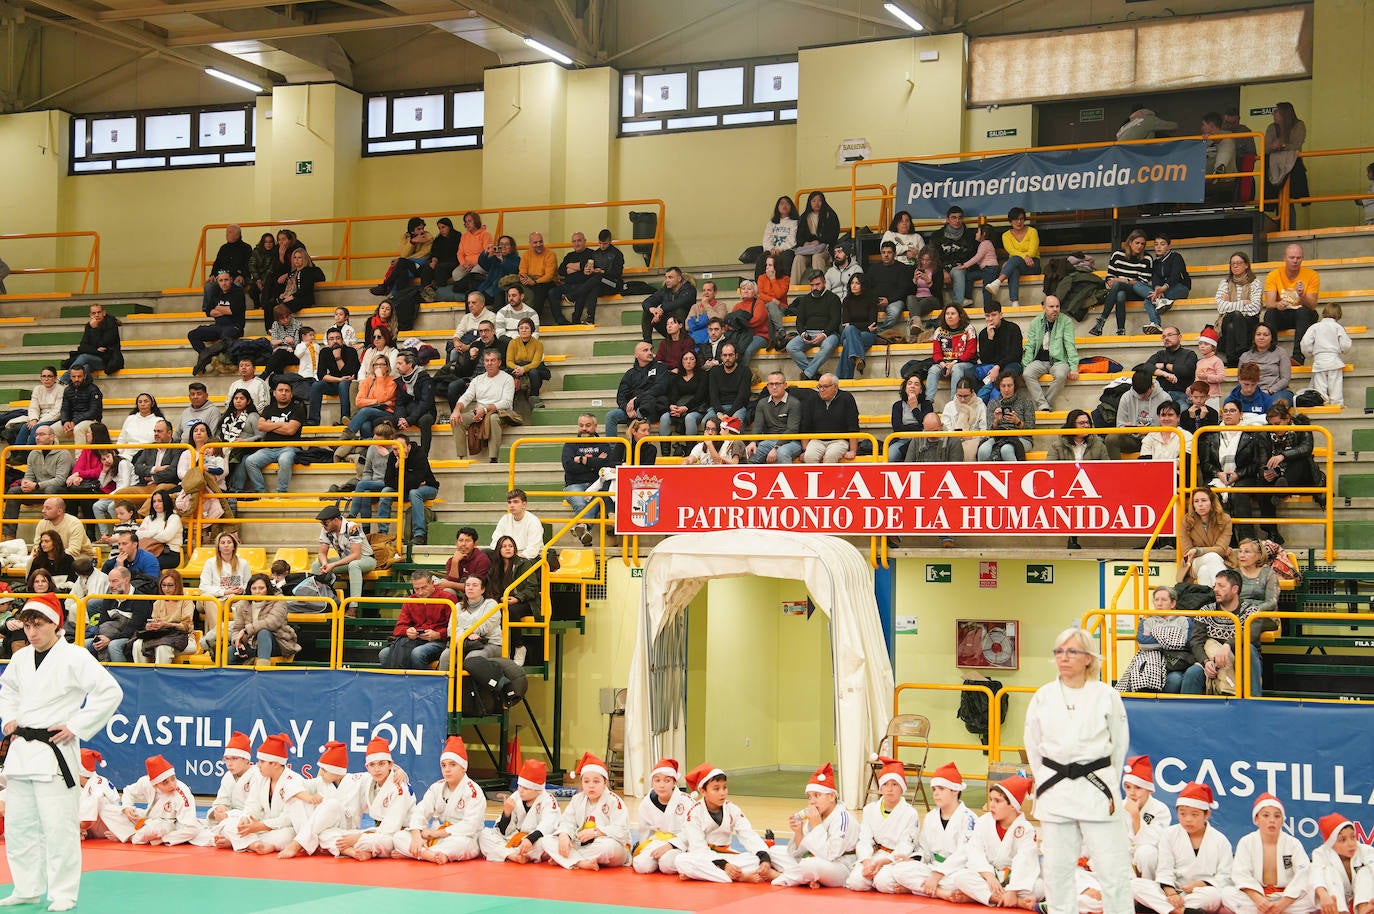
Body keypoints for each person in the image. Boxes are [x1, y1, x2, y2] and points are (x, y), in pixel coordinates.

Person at [0, 592, 122, 912]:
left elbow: (109, 692)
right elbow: (8, 690)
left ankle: (63, 892)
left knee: (59, 828)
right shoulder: (21, 658)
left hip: (54, 751)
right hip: (23, 751)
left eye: (37, 624)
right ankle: (27, 887)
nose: (31, 631)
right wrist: (9, 717)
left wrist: (77, 726)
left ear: (55, 624)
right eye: (27, 625)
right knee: (19, 827)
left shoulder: (76, 657)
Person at [1024, 627, 1132, 914]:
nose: (1064, 658)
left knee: (1114, 872)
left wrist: (1106, 780)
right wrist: (1047, 777)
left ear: (1088, 658)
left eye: (1072, 651)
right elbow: (1033, 745)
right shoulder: (1043, 696)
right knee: (1057, 874)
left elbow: (1119, 746)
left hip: (1097, 790)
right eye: (1059, 651)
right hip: (1055, 789)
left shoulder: (1106, 695)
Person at [938, 775, 1042, 907]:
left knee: (1040, 888)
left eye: (998, 801)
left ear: (1013, 806)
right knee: (961, 878)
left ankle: (985, 897)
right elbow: (975, 851)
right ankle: (1015, 902)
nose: (992, 805)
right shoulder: (984, 821)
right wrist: (989, 876)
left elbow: (1024, 860)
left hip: (1013, 879)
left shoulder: (1025, 829)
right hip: (989, 877)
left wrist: (1013, 890)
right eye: (991, 799)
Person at [875, 762, 977, 895]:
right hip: (932, 868)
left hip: (956, 871)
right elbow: (924, 849)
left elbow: (964, 854)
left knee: (963, 881)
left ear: (955, 790)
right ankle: (937, 892)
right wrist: (913, 860)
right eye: (934, 789)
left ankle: (921, 889)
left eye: (941, 789)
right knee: (898, 871)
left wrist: (937, 875)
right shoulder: (931, 817)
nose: (936, 794)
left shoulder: (969, 818)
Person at [1136, 783, 1234, 914]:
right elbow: (1165, 870)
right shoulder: (1169, 834)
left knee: (1213, 896)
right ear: (1177, 813)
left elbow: (1225, 877)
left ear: (1207, 814)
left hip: (1201, 893)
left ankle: (1164, 908)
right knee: (1135, 885)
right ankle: (1183, 911)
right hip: (1174, 891)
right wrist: (1172, 894)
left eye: (1194, 814)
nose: (1188, 819)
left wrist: (1201, 884)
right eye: (1183, 814)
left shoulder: (1220, 840)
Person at [674, 763, 780, 883]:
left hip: (728, 857)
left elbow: (748, 835)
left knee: (759, 857)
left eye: (724, 787)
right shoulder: (694, 813)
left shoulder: (732, 809)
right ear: (702, 791)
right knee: (681, 860)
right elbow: (699, 849)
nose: (722, 793)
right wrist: (725, 866)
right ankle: (740, 876)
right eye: (716, 789)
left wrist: (764, 859)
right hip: (705, 858)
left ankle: (707, 875)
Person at [769, 762, 860, 888]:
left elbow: (831, 854)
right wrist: (798, 832)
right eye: (809, 797)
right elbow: (802, 852)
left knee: (810, 865)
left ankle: (777, 876)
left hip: (840, 867)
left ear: (832, 796)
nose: (812, 801)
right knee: (773, 851)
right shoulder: (817, 815)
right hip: (816, 861)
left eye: (817, 795)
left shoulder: (843, 818)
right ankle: (809, 878)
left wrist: (817, 826)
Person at [396, 736, 485, 863]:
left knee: (462, 844)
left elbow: (470, 826)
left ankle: (418, 853)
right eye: (444, 765)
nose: (447, 770)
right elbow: (420, 811)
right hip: (438, 836)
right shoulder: (436, 787)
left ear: (464, 767)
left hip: (462, 838)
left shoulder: (473, 791)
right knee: (399, 837)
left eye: (452, 765)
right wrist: (416, 836)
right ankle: (429, 854)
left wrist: (435, 834)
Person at [1182, 568, 1270, 696]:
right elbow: (1196, 641)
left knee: (1248, 649)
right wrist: (1205, 662)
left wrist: (1228, 645)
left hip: (1240, 662)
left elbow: (1251, 634)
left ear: (1235, 589)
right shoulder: (1206, 611)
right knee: (1192, 672)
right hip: (1211, 660)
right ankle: (1186, 714)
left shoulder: (1252, 612)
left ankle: (1253, 704)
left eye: (1221, 586)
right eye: (1215, 585)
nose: (1215, 589)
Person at [538, 752, 630, 871]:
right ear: (581, 783)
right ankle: (581, 862)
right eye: (586, 781)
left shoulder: (614, 801)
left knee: (607, 847)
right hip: (581, 845)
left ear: (605, 783)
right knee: (546, 840)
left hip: (609, 848)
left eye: (596, 781)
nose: (591, 786)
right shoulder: (577, 799)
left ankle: (566, 859)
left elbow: (621, 831)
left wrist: (597, 833)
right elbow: (567, 822)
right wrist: (564, 835)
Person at [228, 732, 311, 854]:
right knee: (229, 824)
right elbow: (252, 805)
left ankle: (243, 843)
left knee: (287, 836)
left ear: (275, 764)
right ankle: (254, 844)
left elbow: (288, 819)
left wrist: (262, 826)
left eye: (262, 761)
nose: (258, 765)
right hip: (263, 829)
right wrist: (246, 818)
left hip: (285, 829)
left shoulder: (294, 781)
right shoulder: (260, 779)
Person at [843, 758, 919, 892]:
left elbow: (906, 845)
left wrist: (884, 861)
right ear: (880, 787)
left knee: (883, 883)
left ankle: (899, 886)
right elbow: (864, 839)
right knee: (856, 882)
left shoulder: (910, 813)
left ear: (902, 788)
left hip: (895, 859)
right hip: (874, 855)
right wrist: (866, 861)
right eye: (885, 784)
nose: (890, 789)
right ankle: (872, 879)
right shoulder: (870, 809)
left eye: (895, 784)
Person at [478, 758, 559, 864]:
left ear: (538, 790)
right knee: (484, 834)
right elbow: (502, 831)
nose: (521, 790)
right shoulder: (516, 796)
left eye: (526, 788)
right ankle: (512, 855)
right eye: (520, 786)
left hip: (533, 841)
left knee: (545, 843)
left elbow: (548, 824)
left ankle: (515, 854)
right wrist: (506, 813)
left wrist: (531, 839)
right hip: (514, 840)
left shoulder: (548, 800)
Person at [1115, 588, 1193, 694]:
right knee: (1133, 678)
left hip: (1173, 665)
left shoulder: (1184, 621)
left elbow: (1186, 643)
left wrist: (1156, 636)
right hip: (1150, 664)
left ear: (1173, 603)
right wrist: (1172, 638)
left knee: (1175, 680)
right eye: (1156, 600)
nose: (1159, 604)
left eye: (1164, 600)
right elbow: (1144, 644)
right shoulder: (1147, 621)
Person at [234, 380, 303, 496]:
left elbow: (291, 430)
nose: (284, 393)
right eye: (281, 390)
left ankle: (281, 493)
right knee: (250, 461)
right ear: (274, 393)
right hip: (268, 448)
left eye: (287, 391)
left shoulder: (298, 408)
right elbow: (260, 426)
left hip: (289, 447)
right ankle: (262, 492)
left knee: (284, 460)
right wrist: (281, 424)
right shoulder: (268, 409)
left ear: (291, 394)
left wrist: (270, 426)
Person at [2, 428, 73, 540]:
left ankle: (50, 534)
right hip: (39, 488)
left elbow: (60, 480)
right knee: (13, 492)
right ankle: (8, 535)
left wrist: (36, 485)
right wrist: (26, 484)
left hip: (59, 490)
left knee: (51, 490)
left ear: (52, 437)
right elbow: (29, 475)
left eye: (41, 434)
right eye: (36, 435)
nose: (37, 437)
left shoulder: (63, 453)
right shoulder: (33, 453)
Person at [194, 732, 259, 849]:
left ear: (246, 759)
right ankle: (230, 840)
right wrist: (218, 810)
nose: (229, 763)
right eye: (227, 759)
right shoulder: (228, 777)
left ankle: (240, 842)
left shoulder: (257, 776)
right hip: (228, 819)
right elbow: (220, 802)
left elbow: (256, 810)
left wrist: (228, 815)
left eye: (234, 759)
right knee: (194, 827)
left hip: (248, 820)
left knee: (229, 826)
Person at [122, 754, 204, 846]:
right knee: (113, 811)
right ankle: (130, 833)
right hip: (146, 819)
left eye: (173, 779)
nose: (172, 785)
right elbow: (128, 791)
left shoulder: (182, 793)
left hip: (168, 825)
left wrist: (164, 839)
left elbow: (192, 829)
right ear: (155, 784)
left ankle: (130, 837)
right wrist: (127, 807)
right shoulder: (146, 782)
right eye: (165, 782)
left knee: (153, 830)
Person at [379, 570, 454, 670]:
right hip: (415, 640)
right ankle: (398, 683)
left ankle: (424, 685)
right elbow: (399, 627)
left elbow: (455, 627)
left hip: (440, 641)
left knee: (417, 653)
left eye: (424, 588)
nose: (420, 592)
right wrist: (407, 631)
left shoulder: (448, 598)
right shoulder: (410, 600)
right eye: (416, 589)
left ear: (432, 583)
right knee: (383, 654)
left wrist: (438, 634)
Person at [452, 349, 516, 464]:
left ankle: (493, 458)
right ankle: (462, 458)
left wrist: (485, 410)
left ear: (499, 362)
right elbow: (466, 397)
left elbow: (506, 402)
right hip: (479, 412)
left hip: (501, 412)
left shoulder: (507, 378)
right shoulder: (478, 379)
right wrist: (456, 410)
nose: (489, 363)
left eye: (493, 360)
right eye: (487, 361)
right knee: (457, 419)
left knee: (492, 418)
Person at [1263, 244, 1320, 366]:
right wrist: (1278, 304)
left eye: (1298, 258)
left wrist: (1302, 295)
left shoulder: (1311, 275)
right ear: (1285, 258)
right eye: (1292, 257)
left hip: (1303, 314)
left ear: (1302, 259)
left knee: (1303, 312)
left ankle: (1298, 356)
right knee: (1270, 313)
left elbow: (1312, 306)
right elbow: (1269, 303)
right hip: (1283, 313)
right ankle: (1271, 354)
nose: (1295, 261)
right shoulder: (1273, 275)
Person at [489, 534, 540, 666]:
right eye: (504, 546)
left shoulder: (524, 563)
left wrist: (517, 598)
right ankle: (499, 650)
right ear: (499, 550)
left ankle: (519, 647)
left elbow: (532, 588)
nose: (508, 549)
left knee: (510, 611)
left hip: (526, 602)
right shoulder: (495, 566)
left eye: (510, 546)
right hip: (503, 602)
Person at [226, 572, 298, 665]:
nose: (257, 591)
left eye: (261, 588)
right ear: (249, 590)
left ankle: (262, 671)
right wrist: (237, 641)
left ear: (268, 588)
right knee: (229, 652)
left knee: (263, 632)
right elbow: (237, 629)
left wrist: (246, 630)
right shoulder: (242, 603)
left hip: (278, 643)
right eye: (254, 588)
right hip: (251, 644)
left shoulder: (279, 600)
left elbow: (272, 622)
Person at [1022, 295, 1079, 412]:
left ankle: (1045, 404)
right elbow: (1030, 346)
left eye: (1057, 306)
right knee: (1027, 374)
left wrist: (1073, 367)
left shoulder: (1066, 321)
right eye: (1051, 306)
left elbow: (1070, 345)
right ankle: (1043, 404)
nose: (1055, 309)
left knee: (1061, 375)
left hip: (1059, 361)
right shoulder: (1035, 322)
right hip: (1039, 361)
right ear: (1044, 308)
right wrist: (1025, 365)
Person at [1308, 814, 1374, 914]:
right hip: (1332, 903)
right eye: (1343, 840)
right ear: (1331, 843)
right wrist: (1324, 896)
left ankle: (1364, 909)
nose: (1351, 843)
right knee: (1329, 872)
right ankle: (1340, 911)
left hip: (1360, 905)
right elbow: (1316, 875)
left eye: (1353, 837)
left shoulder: (1366, 851)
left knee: (1365, 872)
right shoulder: (1321, 853)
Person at [197, 532, 250, 651]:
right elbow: (204, 587)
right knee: (211, 603)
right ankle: (218, 640)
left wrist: (242, 589)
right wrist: (224, 592)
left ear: (234, 546)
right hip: (214, 598)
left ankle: (238, 640)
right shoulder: (210, 563)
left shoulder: (243, 563)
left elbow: (249, 584)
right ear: (218, 546)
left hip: (235, 598)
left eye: (229, 542)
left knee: (242, 606)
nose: (226, 545)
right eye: (223, 543)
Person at [312, 505, 377, 603]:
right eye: (322, 523)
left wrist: (333, 565)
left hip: (365, 559)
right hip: (346, 560)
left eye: (325, 523)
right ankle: (317, 602)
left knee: (354, 565)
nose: (323, 526)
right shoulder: (326, 530)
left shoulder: (352, 527)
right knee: (317, 564)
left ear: (336, 519)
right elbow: (321, 553)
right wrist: (325, 563)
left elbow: (356, 555)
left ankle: (353, 606)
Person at [1120, 756, 1171, 876]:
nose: (1132, 792)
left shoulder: (1161, 810)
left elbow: (1152, 841)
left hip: (1149, 859)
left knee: (1147, 852)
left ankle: (1148, 886)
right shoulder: (1119, 807)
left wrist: (1135, 816)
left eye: (1138, 787)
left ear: (1149, 790)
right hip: (1124, 858)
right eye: (1128, 787)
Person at [787, 270, 842, 381]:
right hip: (809, 333)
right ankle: (812, 373)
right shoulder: (805, 300)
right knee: (791, 347)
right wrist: (803, 334)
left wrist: (824, 334)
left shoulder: (833, 298)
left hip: (828, 333)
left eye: (818, 284)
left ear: (824, 283)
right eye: (812, 285)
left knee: (827, 346)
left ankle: (807, 373)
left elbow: (835, 320)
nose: (815, 288)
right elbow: (799, 321)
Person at [605, 341, 668, 438]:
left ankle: (643, 449)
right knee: (611, 416)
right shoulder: (630, 373)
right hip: (631, 410)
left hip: (651, 407)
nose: (650, 352)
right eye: (645, 350)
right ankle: (613, 451)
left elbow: (659, 388)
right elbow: (621, 395)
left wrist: (636, 399)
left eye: (651, 350)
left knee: (642, 411)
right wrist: (627, 408)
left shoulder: (660, 368)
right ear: (636, 355)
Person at [131, 568, 194, 664]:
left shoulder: (186, 601)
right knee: (137, 644)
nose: (166, 589)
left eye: (170, 585)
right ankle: (142, 675)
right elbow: (155, 621)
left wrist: (167, 625)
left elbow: (186, 627)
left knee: (162, 647)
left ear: (178, 585)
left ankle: (160, 677)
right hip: (162, 636)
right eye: (163, 585)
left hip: (183, 637)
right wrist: (151, 626)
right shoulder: (158, 602)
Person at [191, 271, 248, 375]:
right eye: (221, 280)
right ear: (217, 281)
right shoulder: (216, 292)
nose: (224, 283)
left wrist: (218, 308)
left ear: (231, 280)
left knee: (225, 337)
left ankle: (207, 356)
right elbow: (208, 311)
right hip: (218, 327)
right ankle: (206, 356)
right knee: (193, 334)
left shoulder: (238, 292)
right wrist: (225, 310)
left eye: (226, 280)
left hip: (234, 327)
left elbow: (233, 311)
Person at [1106, 368, 1170, 460]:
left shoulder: (1164, 398)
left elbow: (1169, 427)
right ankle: (1117, 471)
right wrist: (1127, 429)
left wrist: (1150, 431)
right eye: (1138, 393)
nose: (1141, 396)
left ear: (1152, 385)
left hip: (1157, 439)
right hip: (1133, 439)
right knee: (1111, 439)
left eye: (1144, 393)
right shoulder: (1126, 397)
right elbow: (1119, 426)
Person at [1215, 252, 1263, 369]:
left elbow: (1255, 308)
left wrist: (1230, 303)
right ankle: (1243, 350)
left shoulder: (1255, 283)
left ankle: (1232, 360)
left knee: (1233, 325)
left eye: (1238, 263)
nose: (1235, 266)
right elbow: (1221, 307)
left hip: (1249, 322)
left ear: (1246, 265)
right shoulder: (1225, 283)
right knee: (1235, 316)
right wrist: (1243, 303)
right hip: (1226, 319)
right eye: (1232, 264)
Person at [77, 747, 135, 844]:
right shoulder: (79, 783)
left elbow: (112, 805)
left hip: (106, 825)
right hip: (89, 826)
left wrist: (80, 826)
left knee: (98, 799)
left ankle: (79, 829)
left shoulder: (99, 784)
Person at [986, 208, 1039, 308]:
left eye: (1021, 219)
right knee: (1013, 267)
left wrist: (1015, 260)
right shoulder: (1006, 235)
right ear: (1010, 221)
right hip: (1016, 264)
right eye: (1015, 219)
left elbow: (1032, 251)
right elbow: (1011, 251)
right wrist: (1021, 257)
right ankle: (1015, 303)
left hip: (1032, 263)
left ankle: (998, 281)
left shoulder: (1032, 231)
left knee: (1013, 260)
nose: (1019, 222)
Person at [1301, 302, 1352, 406]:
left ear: (1324, 312)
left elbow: (1305, 343)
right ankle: (1337, 403)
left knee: (1320, 386)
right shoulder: (1338, 327)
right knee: (1336, 385)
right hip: (1334, 361)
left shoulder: (1315, 327)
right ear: (1339, 314)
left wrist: (1308, 354)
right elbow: (1346, 345)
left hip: (1319, 361)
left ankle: (1322, 402)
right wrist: (1343, 350)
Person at [802, 374, 860, 464]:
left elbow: (853, 425)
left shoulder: (847, 398)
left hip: (840, 440)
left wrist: (853, 450)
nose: (821, 390)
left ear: (835, 387)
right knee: (809, 456)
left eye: (825, 386)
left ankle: (828, 478)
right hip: (817, 440)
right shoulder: (812, 399)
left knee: (830, 456)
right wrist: (805, 449)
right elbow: (805, 425)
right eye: (819, 387)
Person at [308, 327, 361, 426]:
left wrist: (338, 357)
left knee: (343, 384)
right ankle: (313, 420)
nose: (335, 341)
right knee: (316, 385)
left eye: (338, 338)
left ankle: (344, 419)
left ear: (342, 340)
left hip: (349, 385)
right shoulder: (325, 352)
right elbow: (321, 375)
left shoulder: (351, 351)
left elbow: (349, 374)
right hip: (334, 382)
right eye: (331, 339)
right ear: (327, 342)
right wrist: (339, 379)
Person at [978, 373, 1036, 462]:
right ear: (999, 387)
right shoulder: (993, 403)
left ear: (1015, 386)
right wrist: (996, 421)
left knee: (1006, 449)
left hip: (1021, 437)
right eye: (1003, 386)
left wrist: (1018, 422)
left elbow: (1031, 429)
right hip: (998, 437)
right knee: (983, 450)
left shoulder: (1026, 402)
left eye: (1009, 386)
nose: (1006, 389)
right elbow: (989, 431)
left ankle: (1016, 475)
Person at [747, 372, 802, 465]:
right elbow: (757, 426)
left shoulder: (794, 403)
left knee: (782, 452)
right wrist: (753, 442)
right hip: (769, 441)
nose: (774, 387)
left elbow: (792, 430)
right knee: (750, 453)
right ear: (767, 386)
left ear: (785, 385)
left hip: (791, 442)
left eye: (777, 384)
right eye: (771, 384)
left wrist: (776, 447)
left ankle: (789, 478)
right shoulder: (762, 403)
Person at [974, 300, 1023, 403]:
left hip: (1011, 364)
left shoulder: (1013, 328)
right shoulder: (984, 333)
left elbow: (1016, 355)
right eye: (987, 316)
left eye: (994, 315)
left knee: (1005, 374)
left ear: (1000, 315)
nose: (990, 319)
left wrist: (998, 367)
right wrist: (990, 339)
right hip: (991, 366)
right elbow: (984, 359)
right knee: (971, 371)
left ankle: (982, 398)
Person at [927, 303, 979, 402]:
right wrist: (943, 364)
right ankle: (928, 402)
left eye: (953, 313)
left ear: (960, 316)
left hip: (964, 363)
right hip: (945, 363)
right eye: (947, 314)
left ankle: (954, 403)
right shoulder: (939, 331)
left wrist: (953, 363)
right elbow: (936, 353)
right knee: (933, 369)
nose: (949, 316)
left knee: (956, 368)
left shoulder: (969, 329)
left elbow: (970, 353)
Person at [372, 217, 432, 300]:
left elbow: (423, 254)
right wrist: (412, 242)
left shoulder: (427, 237)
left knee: (401, 263)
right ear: (412, 231)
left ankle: (385, 286)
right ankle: (397, 297)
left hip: (421, 266)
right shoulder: (405, 237)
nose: (422, 231)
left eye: (422, 228)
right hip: (407, 267)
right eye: (418, 229)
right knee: (402, 272)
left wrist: (402, 260)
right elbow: (403, 254)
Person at [1264, 102, 1307, 207]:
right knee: (1275, 199)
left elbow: (1296, 145)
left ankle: (1287, 222)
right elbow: (1265, 148)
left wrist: (1281, 145)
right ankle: (1280, 221)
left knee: (1288, 201)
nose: (1274, 114)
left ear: (1285, 114)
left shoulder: (1298, 125)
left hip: (1292, 165)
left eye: (1277, 112)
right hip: (1274, 165)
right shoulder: (1271, 127)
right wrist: (1274, 147)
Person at [9, 366, 63, 449]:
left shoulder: (61, 389)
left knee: (36, 428)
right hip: (39, 418)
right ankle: (17, 453)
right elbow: (33, 407)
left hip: (54, 419)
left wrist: (39, 422)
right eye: (44, 376)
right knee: (25, 427)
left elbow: (58, 411)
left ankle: (30, 453)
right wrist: (34, 419)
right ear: (41, 379)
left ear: (55, 378)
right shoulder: (37, 389)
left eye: (49, 376)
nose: (46, 379)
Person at [63, 304, 123, 379]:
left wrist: (95, 329)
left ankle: (63, 380)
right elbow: (82, 347)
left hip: (108, 360)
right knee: (85, 368)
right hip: (93, 359)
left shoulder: (111, 323)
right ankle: (74, 388)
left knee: (84, 357)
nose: (97, 315)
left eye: (99, 312)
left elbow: (104, 343)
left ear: (103, 313)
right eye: (94, 313)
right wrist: (96, 350)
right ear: (90, 315)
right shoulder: (89, 326)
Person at [548, 232, 595, 326]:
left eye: (579, 241)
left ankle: (576, 319)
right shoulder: (569, 256)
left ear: (585, 241)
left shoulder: (592, 254)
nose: (577, 244)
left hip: (582, 285)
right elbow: (561, 271)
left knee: (582, 292)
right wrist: (579, 267)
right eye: (574, 241)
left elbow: (588, 270)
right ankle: (560, 320)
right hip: (568, 285)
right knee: (552, 292)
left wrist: (570, 266)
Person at [660, 349, 706, 444]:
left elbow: (700, 396)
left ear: (696, 361)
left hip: (697, 408)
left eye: (691, 359)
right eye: (685, 359)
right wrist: (672, 406)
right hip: (679, 408)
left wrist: (686, 408)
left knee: (689, 418)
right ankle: (665, 454)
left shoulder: (703, 375)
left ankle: (690, 452)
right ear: (681, 361)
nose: (688, 362)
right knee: (664, 417)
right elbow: (673, 394)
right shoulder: (677, 377)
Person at [1239, 325, 1293, 405]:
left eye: (1265, 335)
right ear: (1254, 337)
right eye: (1258, 334)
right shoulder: (1245, 356)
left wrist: (1270, 390)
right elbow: (1240, 379)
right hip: (1252, 392)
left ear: (1272, 337)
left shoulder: (1281, 353)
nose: (1261, 337)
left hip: (1278, 391)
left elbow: (1285, 379)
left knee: (1275, 405)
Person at [506, 318, 549, 411]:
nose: (524, 330)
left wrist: (524, 369)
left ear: (532, 330)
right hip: (515, 367)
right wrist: (517, 368)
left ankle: (534, 398)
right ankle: (509, 403)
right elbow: (509, 361)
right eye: (521, 328)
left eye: (526, 328)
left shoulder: (538, 344)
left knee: (534, 372)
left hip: (531, 368)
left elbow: (536, 362)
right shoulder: (512, 343)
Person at [54, 363, 103, 445]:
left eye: (79, 376)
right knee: (50, 431)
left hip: (92, 421)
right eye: (74, 377)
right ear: (70, 377)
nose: (76, 379)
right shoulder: (67, 390)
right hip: (72, 420)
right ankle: (55, 456)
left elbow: (94, 412)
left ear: (85, 376)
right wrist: (65, 421)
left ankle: (79, 458)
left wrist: (74, 421)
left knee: (78, 429)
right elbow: (65, 409)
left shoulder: (93, 389)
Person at [890, 374, 935, 462]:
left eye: (916, 384)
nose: (912, 386)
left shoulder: (927, 405)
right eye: (909, 384)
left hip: (922, 439)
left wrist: (914, 408)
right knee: (891, 455)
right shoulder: (898, 405)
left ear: (921, 390)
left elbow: (927, 425)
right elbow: (897, 428)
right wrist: (917, 427)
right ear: (905, 388)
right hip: (902, 440)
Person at [517, 232, 560, 325]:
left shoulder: (550, 254)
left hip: (546, 282)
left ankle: (532, 323)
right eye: (535, 242)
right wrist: (524, 279)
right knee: (515, 291)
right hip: (530, 280)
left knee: (539, 290)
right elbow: (522, 271)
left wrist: (535, 282)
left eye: (540, 242)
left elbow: (549, 276)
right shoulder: (526, 255)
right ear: (530, 243)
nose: (538, 244)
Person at [491, 488, 543, 559]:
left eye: (515, 502)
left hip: (528, 558)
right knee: (486, 554)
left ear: (524, 505)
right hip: (506, 555)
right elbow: (495, 541)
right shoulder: (505, 519)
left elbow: (533, 549)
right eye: (509, 502)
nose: (512, 505)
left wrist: (515, 557)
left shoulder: (533, 521)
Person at [274, 245, 325, 319]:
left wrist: (292, 296)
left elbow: (306, 289)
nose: (296, 260)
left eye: (299, 258)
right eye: (295, 257)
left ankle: (283, 328)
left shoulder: (308, 271)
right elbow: (286, 287)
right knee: (269, 305)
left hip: (302, 299)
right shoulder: (292, 273)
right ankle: (270, 329)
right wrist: (282, 294)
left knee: (280, 309)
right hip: (289, 297)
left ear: (304, 259)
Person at [436, 527, 491, 594]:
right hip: (459, 593)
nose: (463, 544)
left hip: (478, 595)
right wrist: (455, 562)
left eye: (468, 541)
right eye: (461, 540)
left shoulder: (482, 560)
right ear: (456, 543)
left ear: (475, 544)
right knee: (447, 590)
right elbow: (451, 583)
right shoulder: (452, 560)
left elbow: (476, 586)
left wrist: (450, 584)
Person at [1147, 234, 1190, 315]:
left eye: (1162, 244)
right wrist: (1157, 288)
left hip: (1180, 287)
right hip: (1163, 290)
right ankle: (1154, 323)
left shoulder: (1176, 257)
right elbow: (1155, 278)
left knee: (1154, 299)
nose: (1158, 247)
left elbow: (1175, 276)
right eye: (1156, 244)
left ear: (1168, 247)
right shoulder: (1155, 263)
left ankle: (1162, 302)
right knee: (1149, 298)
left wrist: (1163, 288)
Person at [758, 194, 800, 279]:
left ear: (791, 206)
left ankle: (783, 283)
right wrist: (771, 249)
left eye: (787, 203)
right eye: (781, 203)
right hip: (772, 250)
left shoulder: (795, 222)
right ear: (777, 207)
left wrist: (779, 250)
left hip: (787, 250)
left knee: (786, 257)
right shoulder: (771, 223)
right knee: (762, 257)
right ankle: (759, 283)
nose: (784, 206)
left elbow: (792, 240)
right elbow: (766, 239)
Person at [1194, 328, 1226, 409]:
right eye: (1200, 343)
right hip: (1200, 396)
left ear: (1213, 347)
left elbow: (1221, 377)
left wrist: (1207, 377)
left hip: (1212, 396)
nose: (1202, 346)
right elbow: (1197, 379)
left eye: (1206, 344)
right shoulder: (1199, 362)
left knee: (1212, 417)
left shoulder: (1217, 360)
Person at [427, 216, 460, 285]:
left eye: (443, 227)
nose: (441, 230)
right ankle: (426, 288)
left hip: (454, 262)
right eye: (439, 228)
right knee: (428, 267)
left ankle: (439, 288)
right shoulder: (438, 239)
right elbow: (434, 253)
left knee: (440, 268)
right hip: (440, 262)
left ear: (449, 227)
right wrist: (434, 261)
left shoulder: (458, 236)